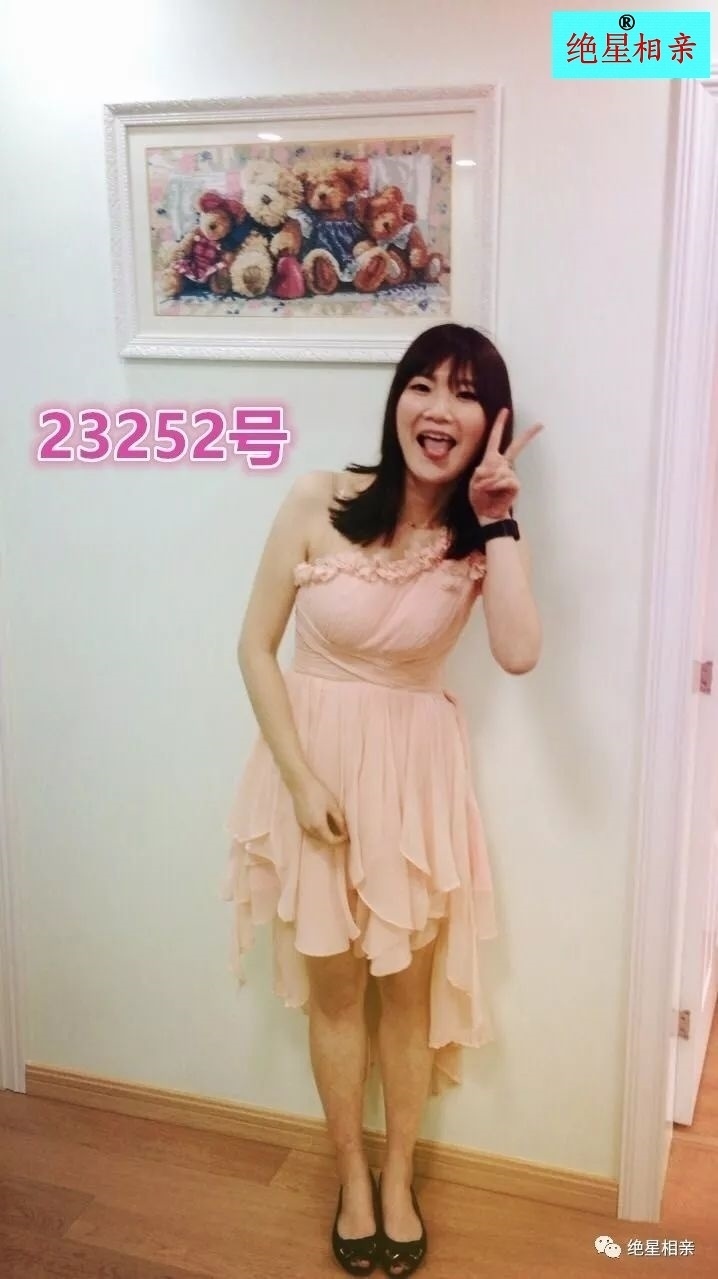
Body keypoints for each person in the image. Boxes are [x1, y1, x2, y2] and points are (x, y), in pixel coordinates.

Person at [222, 322, 543, 1276]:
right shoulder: (317, 499)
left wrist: (501, 521)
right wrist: (299, 776)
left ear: (492, 424)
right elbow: (254, 647)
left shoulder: (478, 539)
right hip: (312, 776)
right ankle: (351, 1179)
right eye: (423, 385)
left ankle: (399, 1177)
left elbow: (519, 651)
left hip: (413, 785)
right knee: (334, 995)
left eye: (466, 394)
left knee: (403, 998)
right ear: (397, 397)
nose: (439, 410)